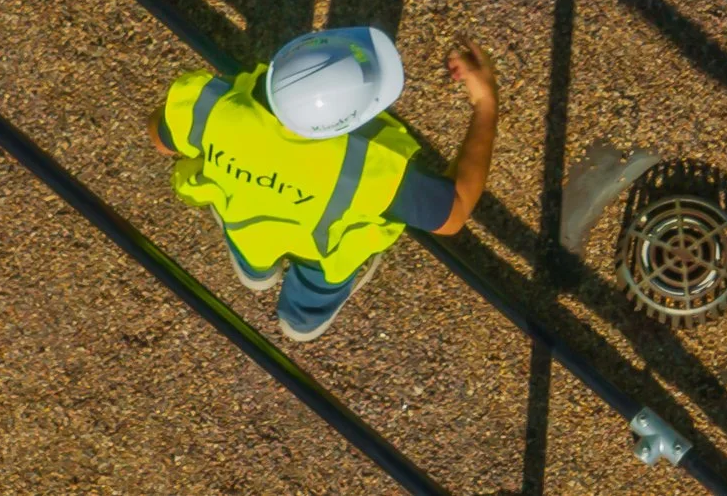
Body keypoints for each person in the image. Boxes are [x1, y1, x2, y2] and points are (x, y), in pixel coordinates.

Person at [154, 27, 497, 343]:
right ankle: (300, 323)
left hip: (246, 221)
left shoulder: (210, 105)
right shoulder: (371, 169)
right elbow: (454, 212)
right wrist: (486, 104)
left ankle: (255, 272)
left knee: (249, 240)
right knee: (324, 279)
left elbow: (161, 138)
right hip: (324, 253)